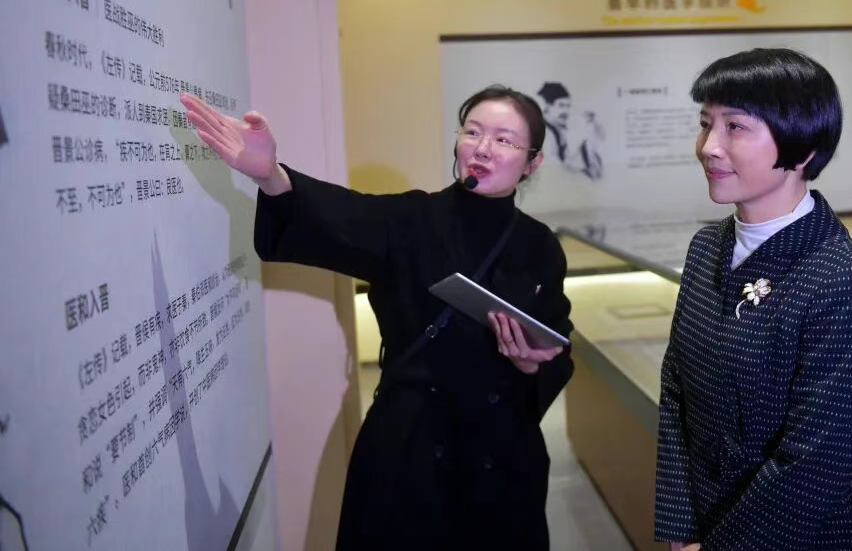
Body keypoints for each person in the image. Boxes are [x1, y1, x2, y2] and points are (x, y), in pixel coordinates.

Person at [180, 85, 574, 550]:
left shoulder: (540, 245)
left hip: (502, 455)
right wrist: (271, 176)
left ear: (532, 162)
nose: (482, 148)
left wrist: (530, 364)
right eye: (472, 132)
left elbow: (557, 346)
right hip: (410, 446)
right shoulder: (410, 219)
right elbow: (337, 214)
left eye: (504, 140)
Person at [654, 49, 852, 551]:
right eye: (705, 124)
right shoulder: (706, 247)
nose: (709, 147)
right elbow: (676, 386)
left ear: (801, 147)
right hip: (701, 524)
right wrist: (680, 528)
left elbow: (817, 462)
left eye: (735, 127)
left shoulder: (842, 279)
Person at [536, 81, 603, 180]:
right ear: (548, 105)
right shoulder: (544, 131)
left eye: (568, 106)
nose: (565, 111)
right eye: (561, 105)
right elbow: (554, 170)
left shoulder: (562, 128)